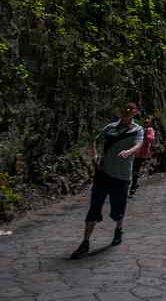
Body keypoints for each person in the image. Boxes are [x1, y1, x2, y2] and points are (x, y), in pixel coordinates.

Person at [69, 101, 143, 259]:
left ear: (136, 112)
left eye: (130, 109)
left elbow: (139, 144)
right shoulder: (110, 127)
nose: (127, 111)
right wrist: (95, 155)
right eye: (125, 109)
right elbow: (95, 141)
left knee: (118, 209)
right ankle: (85, 242)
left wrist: (128, 151)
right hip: (103, 174)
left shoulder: (138, 129)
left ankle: (118, 228)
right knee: (94, 207)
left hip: (122, 176)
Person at [129, 113, 155, 197]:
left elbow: (151, 139)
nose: (146, 122)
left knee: (135, 169)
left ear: (151, 123)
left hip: (142, 153)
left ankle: (133, 186)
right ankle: (134, 184)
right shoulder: (141, 129)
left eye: (148, 121)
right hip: (136, 152)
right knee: (134, 169)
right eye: (145, 121)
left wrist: (145, 134)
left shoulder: (150, 130)